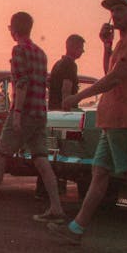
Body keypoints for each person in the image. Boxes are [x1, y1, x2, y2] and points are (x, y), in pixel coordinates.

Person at [47, 0, 127, 252]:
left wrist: (79, 96)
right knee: (101, 174)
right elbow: (110, 72)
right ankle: (76, 229)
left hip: (122, 118)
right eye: (113, 11)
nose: (114, 15)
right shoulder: (124, 42)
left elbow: (117, 77)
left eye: (120, 10)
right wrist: (106, 45)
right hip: (112, 118)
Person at [0, 12, 65, 223]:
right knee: (41, 160)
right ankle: (56, 207)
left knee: (0, 156)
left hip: (24, 111)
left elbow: (22, 83)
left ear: (14, 29)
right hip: (40, 113)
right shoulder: (41, 53)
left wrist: (17, 113)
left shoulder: (19, 50)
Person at [35, 34, 85, 199]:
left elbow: (50, 86)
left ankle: (43, 190)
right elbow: (66, 89)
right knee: (63, 153)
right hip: (63, 113)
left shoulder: (58, 64)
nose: (83, 51)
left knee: (50, 152)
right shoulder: (71, 66)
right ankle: (54, 190)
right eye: (81, 48)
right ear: (73, 47)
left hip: (52, 113)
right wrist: (68, 113)